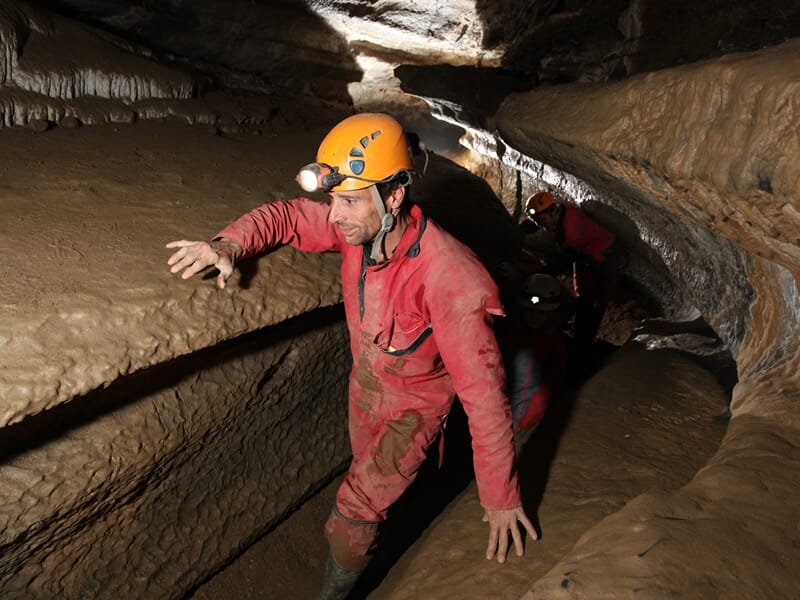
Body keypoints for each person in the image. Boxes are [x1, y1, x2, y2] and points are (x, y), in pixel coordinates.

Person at [165, 113, 537, 600]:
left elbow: (484, 395)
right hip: (363, 393)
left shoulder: (451, 278)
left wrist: (500, 496)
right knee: (369, 497)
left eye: (349, 200)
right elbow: (291, 217)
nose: (335, 214)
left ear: (395, 196)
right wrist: (229, 243)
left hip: (413, 411)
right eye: (333, 199)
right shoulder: (359, 228)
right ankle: (377, 538)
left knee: (350, 518)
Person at [525, 191, 618, 350]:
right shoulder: (553, 213)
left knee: (596, 297)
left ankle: (584, 341)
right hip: (584, 253)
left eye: (542, 220)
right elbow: (538, 220)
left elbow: (565, 260)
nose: (541, 225)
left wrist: (541, 274)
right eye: (537, 221)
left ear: (553, 211)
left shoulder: (572, 223)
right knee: (581, 293)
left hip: (603, 253)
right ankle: (580, 334)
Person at [497, 273, 568, 447]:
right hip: (499, 395)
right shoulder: (508, 330)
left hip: (523, 404)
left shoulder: (553, 340)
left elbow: (558, 372)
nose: (534, 316)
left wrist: (538, 402)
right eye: (530, 310)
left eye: (540, 313)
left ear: (551, 314)